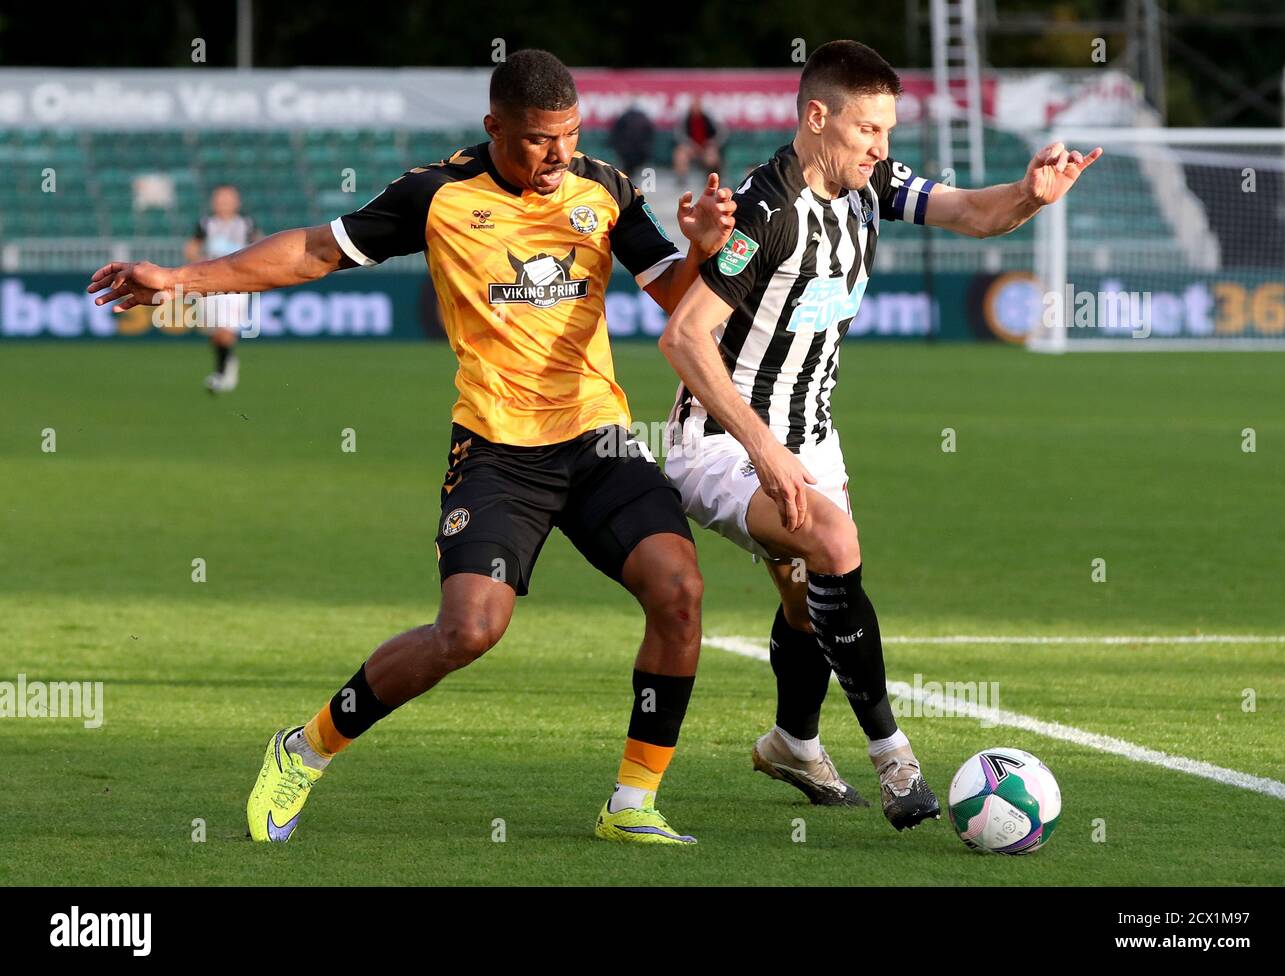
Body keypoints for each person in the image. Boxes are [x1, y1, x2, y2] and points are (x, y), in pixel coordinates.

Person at [88, 49, 737, 846]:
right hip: (497, 450)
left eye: (568, 135)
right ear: (494, 127)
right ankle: (306, 748)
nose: (558, 154)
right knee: (467, 631)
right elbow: (314, 252)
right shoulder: (436, 195)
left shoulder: (604, 187)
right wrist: (183, 282)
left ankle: (632, 803)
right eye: (538, 139)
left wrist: (705, 249)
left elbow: (679, 298)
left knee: (679, 592)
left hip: (598, 434)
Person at [659, 40, 1101, 829]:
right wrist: (765, 454)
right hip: (721, 442)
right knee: (830, 544)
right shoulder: (767, 208)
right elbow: (686, 338)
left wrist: (1033, 196)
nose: (881, 148)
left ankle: (793, 740)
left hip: (814, 437)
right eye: (867, 129)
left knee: (807, 603)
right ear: (817, 117)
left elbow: (970, 212)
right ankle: (896, 761)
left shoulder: (872, 185)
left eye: (888, 130)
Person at [185, 184, 259, 393]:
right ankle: (228, 361)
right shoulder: (206, 224)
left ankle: (221, 373)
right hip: (209, 284)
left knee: (227, 330)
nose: (224, 203)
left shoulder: (246, 224)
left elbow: (261, 245)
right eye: (220, 199)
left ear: (237, 202)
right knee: (215, 332)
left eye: (228, 199)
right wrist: (201, 264)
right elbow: (191, 248)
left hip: (236, 284)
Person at [673, 95, 726, 181]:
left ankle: (712, 180)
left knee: (712, 156)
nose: (696, 108)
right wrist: (689, 144)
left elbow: (721, 133)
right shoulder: (686, 118)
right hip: (691, 147)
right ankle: (681, 179)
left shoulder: (709, 118)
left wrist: (712, 143)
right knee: (680, 154)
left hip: (706, 147)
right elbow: (679, 134)